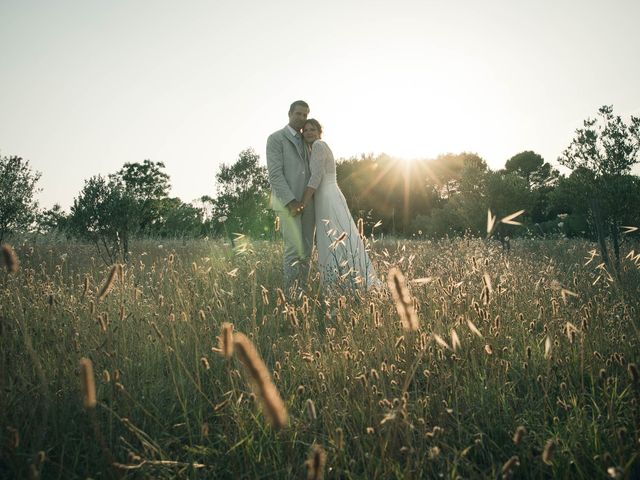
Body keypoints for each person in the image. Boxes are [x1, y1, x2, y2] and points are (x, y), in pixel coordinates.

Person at [300, 119, 381, 294]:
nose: (309, 132)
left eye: (312, 129)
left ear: (319, 131)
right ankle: (345, 283)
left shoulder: (319, 146)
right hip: (326, 196)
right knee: (335, 237)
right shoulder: (316, 147)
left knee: (333, 238)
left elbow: (316, 177)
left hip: (327, 196)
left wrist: (303, 202)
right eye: (305, 130)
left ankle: (341, 286)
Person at [266, 100, 316, 296]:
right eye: (298, 114)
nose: (302, 118)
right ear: (289, 114)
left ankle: (303, 292)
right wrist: (290, 201)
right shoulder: (276, 138)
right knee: (292, 250)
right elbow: (275, 174)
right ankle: (291, 295)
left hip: (308, 203)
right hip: (288, 204)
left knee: (307, 250)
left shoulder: (308, 140)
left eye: (305, 115)